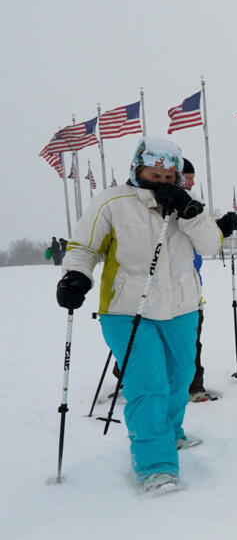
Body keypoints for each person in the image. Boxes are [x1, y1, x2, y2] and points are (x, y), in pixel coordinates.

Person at [55, 137, 223, 493]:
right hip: (127, 309)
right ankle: (155, 465)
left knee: (180, 379)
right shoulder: (113, 202)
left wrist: (190, 214)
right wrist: (76, 275)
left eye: (168, 176)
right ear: (137, 169)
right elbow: (84, 246)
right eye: (153, 173)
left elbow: (211, 244)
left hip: (182, 307)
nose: (161, 180)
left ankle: (171, 431)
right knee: (148, 386)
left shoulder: (189, 202)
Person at [181, 159, 237, 402]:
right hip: (160, 288)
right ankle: (126, 375)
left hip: (192, 286)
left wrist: (221, 228)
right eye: (189, 176)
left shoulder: (192, 205)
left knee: (191, 339)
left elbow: (199, 238)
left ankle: (194, 387)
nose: (193, 181)